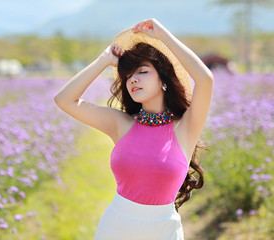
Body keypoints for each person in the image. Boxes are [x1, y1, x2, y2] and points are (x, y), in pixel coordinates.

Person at [54, 18, 213, 240]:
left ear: (163, 79)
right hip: (114, 229)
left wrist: (163, 37)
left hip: (163, 232)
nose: (133, 80)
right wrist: (103, 60)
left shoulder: (185, 126)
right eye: (128, 76)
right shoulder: (121, 123)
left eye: (142, 72)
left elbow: (205, 79)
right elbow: (64, 100)